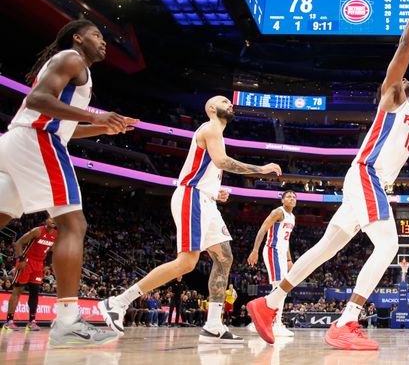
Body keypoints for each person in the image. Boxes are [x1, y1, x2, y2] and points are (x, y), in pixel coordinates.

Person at [248, 0, 409, 351]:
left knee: (327, 247)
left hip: (371, 183)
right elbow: (404, 49)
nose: (403, 78)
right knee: (389, 246)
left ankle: (269, 302)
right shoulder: (392, 99)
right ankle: (346, 320)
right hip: (367, 175)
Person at [100, 95, 282, 344]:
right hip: (191, 198)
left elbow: (207, 167)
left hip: (205, 199)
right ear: (211, 108)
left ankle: (213, 325)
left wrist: (214, 190)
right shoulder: (210, 128)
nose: (229, 104)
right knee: (186, 263)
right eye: (223, 101)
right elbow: (222, 162)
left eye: (230, 102)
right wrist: (260, 169)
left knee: (224, 257)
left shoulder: (216, 133)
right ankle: (117, 302)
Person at [0, 19, 137, 347]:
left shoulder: (75, 69)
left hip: (20, 141)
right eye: (96, 35)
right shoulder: (72, 58)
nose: (103, 42)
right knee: (74, 225)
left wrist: (101, 128)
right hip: (38, 140)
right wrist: (95, 116)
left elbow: (62, 124)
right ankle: (67, 321)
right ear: (77, 37)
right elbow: (36, 101)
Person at [247, 190, 297, 337]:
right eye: (289, 196)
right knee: (279, 287)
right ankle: (275, 323)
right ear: (282, 200)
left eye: (294, 197)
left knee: (282, 288)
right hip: (272, 250)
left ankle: (263, 319)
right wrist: (255, 250)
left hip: (282, 253)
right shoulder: (278, 212)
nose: (292, 198)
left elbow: (286, 241)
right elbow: (263, 229)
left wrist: (288, 259)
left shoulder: (292, 217)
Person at [1, 218, 58, 331]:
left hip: (39, 265)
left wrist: (47, 264)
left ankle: (31, 322)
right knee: (18, 290)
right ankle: (9, 321)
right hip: (26, 261)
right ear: (46, 220)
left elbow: (51, 251)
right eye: (52, 218)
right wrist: (21, 259)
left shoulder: (56, 235)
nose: (54, 221)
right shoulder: (37, 231)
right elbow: (18, 243)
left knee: (35, 292)